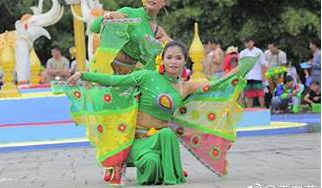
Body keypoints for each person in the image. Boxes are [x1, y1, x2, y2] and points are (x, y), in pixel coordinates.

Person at [60, 41, 257, 185]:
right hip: (138, 140)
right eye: (169, 57)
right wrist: (82, 74)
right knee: (150, 165)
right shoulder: (146, 76)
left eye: (178, 58)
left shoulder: (184, 87)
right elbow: (115, 82)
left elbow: (216, 86)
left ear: (184, 62)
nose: (173, 62)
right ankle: (161, 167)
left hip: (162, 140)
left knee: (166, 133)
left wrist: (240, 71)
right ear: (162, 59)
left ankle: (171, 172)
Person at [89, 0, 172, 75]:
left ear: (165, 2)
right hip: (106, 69)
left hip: (128, 78)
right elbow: (93, 27)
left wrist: (162, 46)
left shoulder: (158, 32)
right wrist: (107, 16)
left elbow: (170, 53)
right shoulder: (128, 12)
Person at [239, 38, 268, 108]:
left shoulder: (258, 52)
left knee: (260, 93)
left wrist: (264, 76)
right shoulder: (243, 53)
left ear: (253, 42)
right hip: (247, 76)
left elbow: (263, 64)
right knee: (249, 94)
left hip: (257, 76)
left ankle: (262, 107)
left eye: (249, 42)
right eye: (246, 43)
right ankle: (250, 109)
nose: (248, 44)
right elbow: (241, 65)